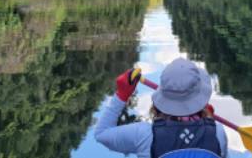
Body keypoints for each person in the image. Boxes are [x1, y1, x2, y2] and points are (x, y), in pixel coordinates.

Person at [95, 58, 228, 158]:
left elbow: (101, 134)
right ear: (200, 98)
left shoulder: (144, 135)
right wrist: (208, 119)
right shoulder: (218, 133)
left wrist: (121, 96)